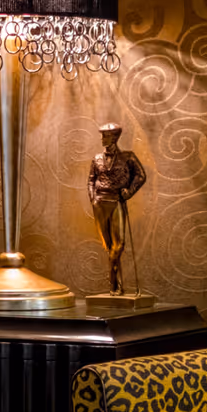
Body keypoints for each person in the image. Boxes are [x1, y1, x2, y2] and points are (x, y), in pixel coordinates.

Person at [86, 123, 148, 297]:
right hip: (100, 203)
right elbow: (91, 180)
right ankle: (115, 286)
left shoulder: (128, 157)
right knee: (108, 245)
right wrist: (92, 198)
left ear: (114, 137)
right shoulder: (97, 158)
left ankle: (113, 279)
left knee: (118, 245)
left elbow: (141, 175)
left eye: (105, 136)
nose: (102, 139)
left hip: (117, 202)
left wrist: (129, 192)